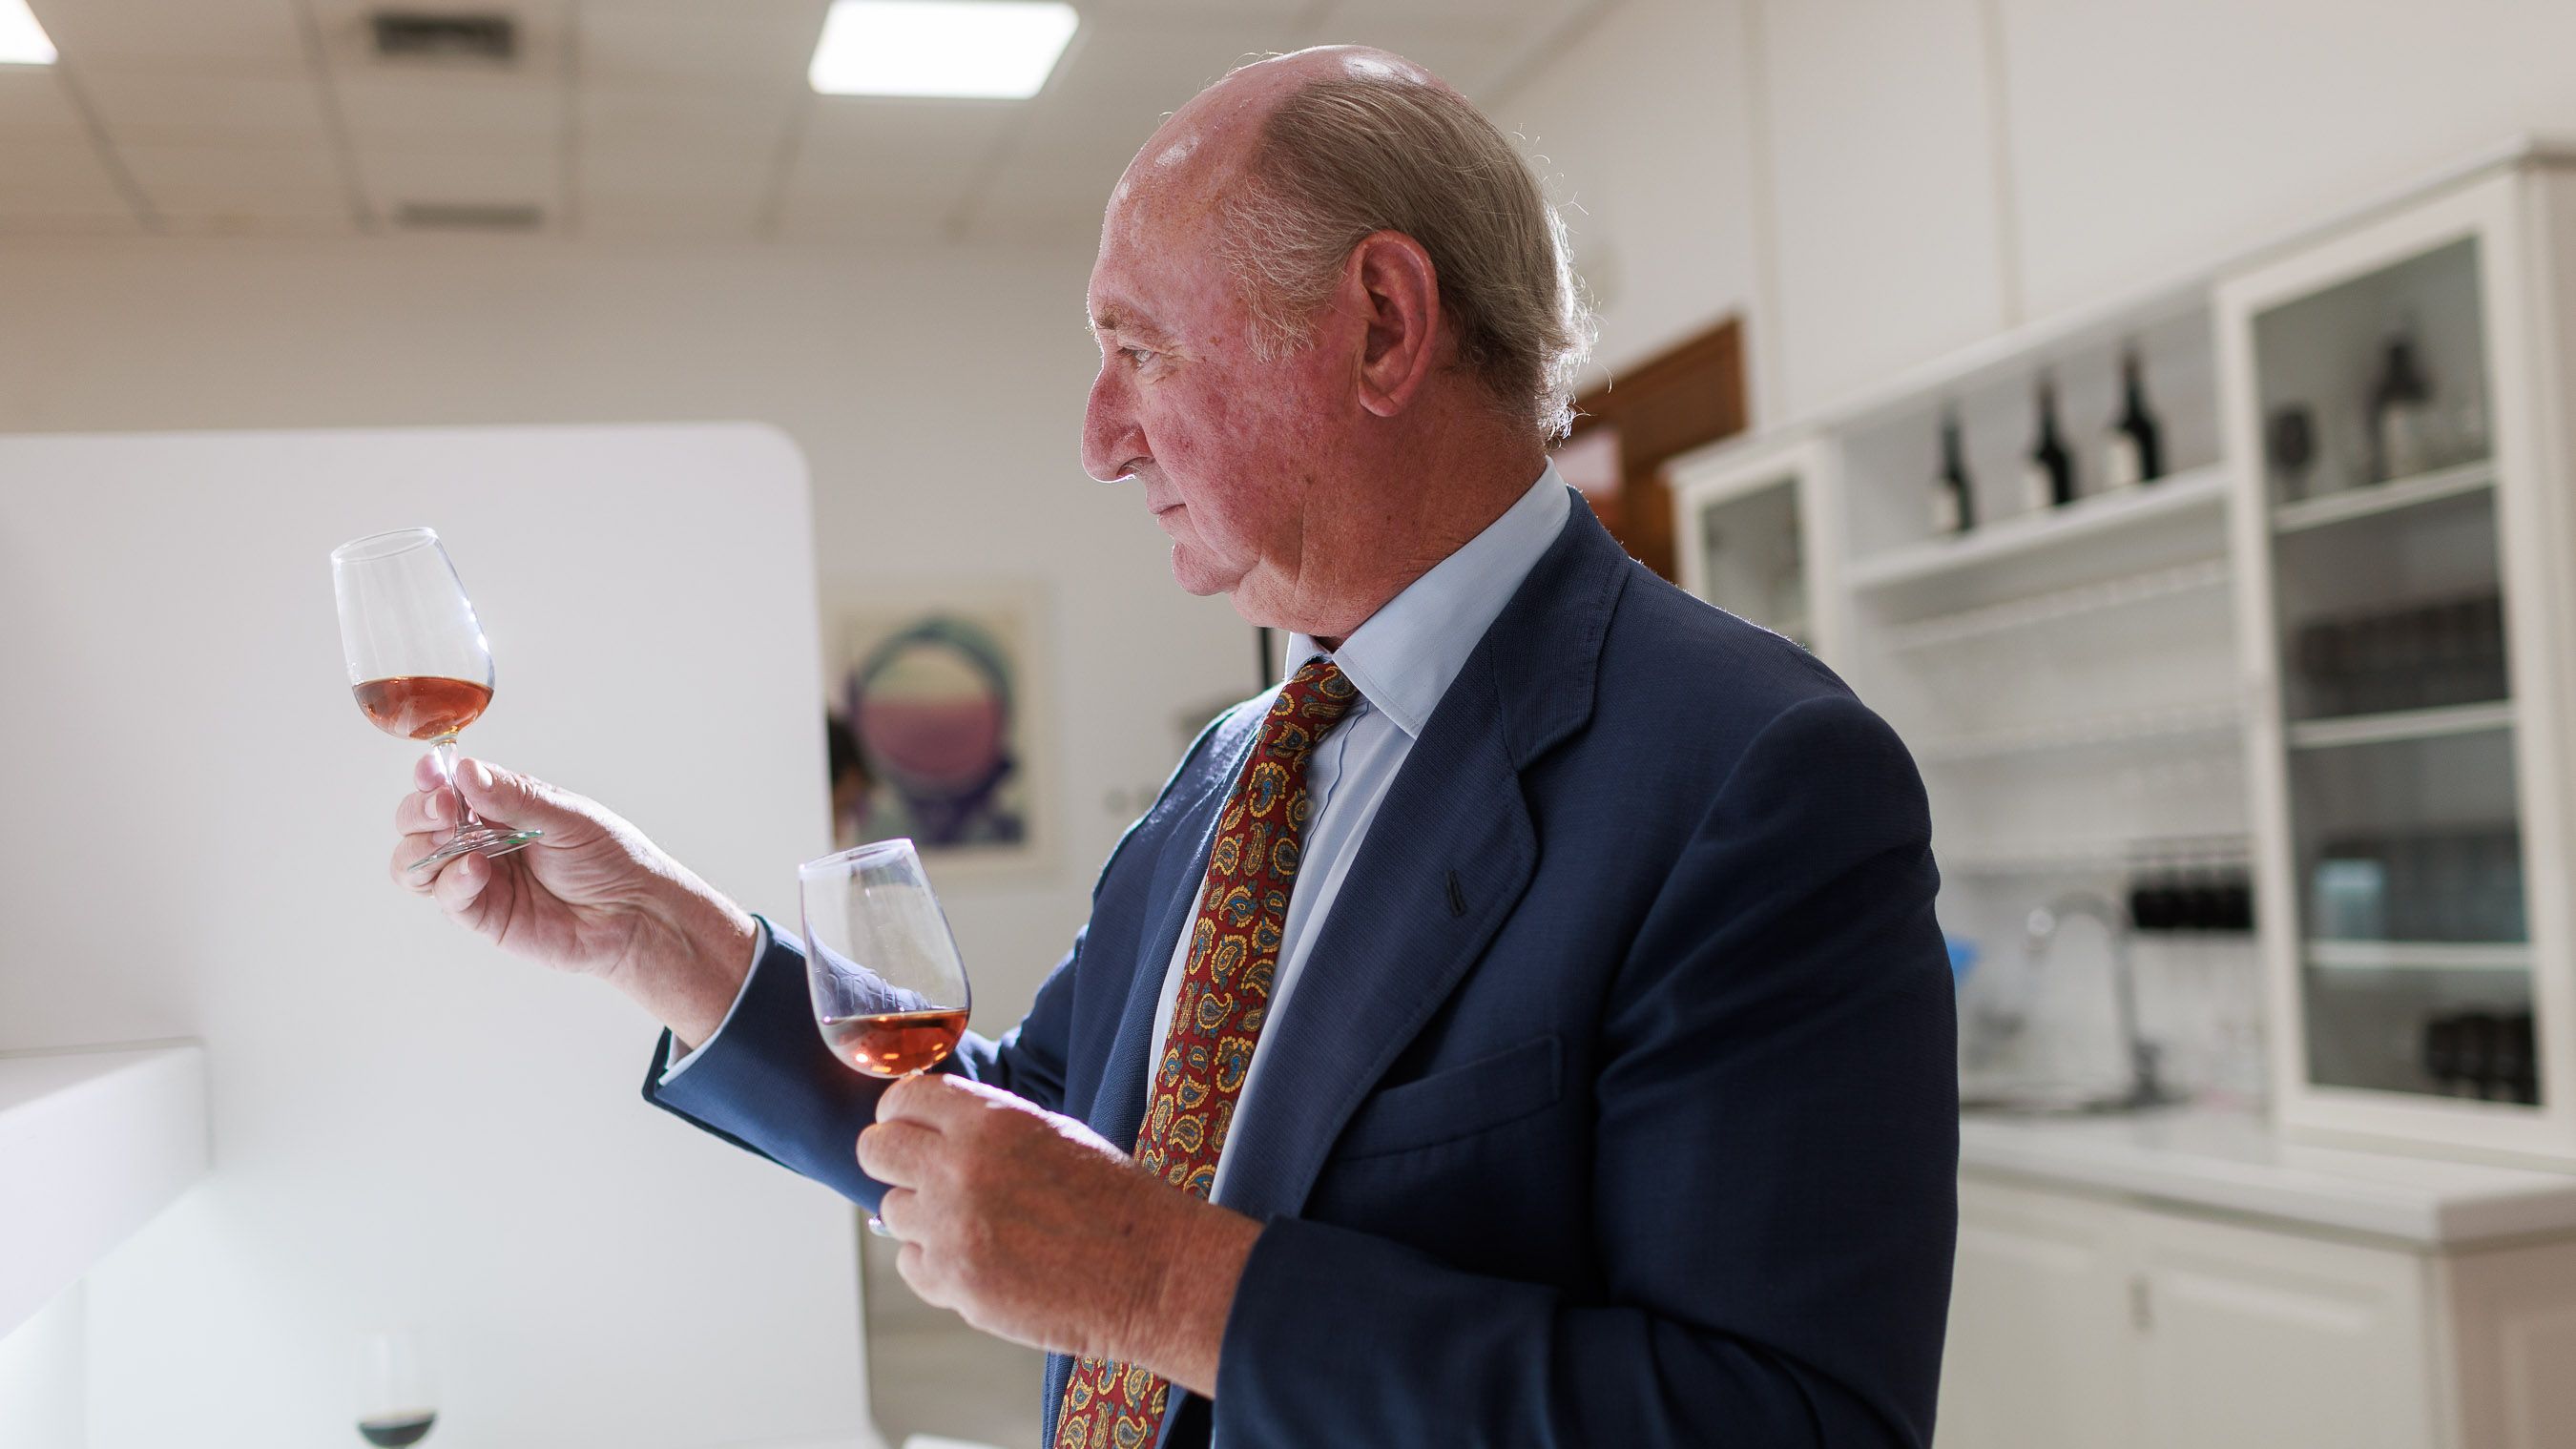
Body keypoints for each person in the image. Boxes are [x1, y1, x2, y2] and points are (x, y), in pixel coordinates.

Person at [391, 46, 1957, 1449]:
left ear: (1383, 330)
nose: (1096, 434)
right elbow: (1023, 1130)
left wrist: (1163, 1286)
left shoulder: (1757, 780)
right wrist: (658, 936)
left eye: (1139, 350)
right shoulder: (1238, 767)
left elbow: (1785, 1422)